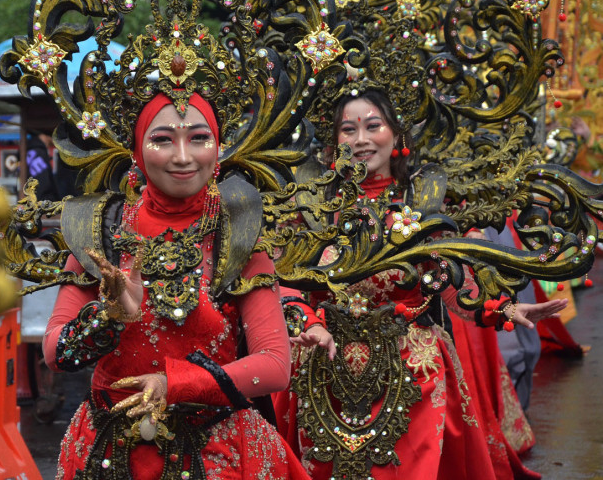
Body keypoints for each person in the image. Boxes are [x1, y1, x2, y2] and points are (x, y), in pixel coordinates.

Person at [274, 91, 568, 479]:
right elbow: (282, 280)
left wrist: (504, 309)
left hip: (412, 369)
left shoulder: (420, 205)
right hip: (325, 369)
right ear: (334, 143)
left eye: (372, 126)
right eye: (349, 129)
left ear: (397, 136)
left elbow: (449, 285)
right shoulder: (312, 206)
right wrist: (308, 322)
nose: (360, 139)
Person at [43, 93, 310, 480]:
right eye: (163, 139)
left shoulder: (238, 234)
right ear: (136, 150)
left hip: (219, 455)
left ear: (218, 149)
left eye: (199, 139)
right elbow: (55, 353)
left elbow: (274, 366)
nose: (183, 157)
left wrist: (177, 384)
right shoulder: (100, 232)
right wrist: (109, 318)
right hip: (111, 457)